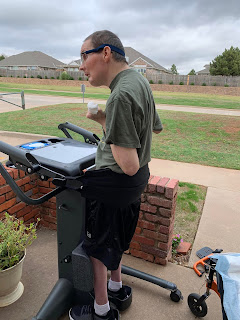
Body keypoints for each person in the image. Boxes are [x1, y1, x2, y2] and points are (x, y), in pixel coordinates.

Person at [69, 30, 162, 320]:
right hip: (136, 183)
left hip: (116, 183)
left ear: (105, 53)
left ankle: (101, 310)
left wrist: (109, 119)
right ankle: (117, 287)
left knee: (97, 246)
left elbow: (128, 163)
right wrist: (103, 120)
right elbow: (152, 128)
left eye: (85, 55)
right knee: (116, 238)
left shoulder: (120, 95)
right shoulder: (139, 81)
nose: (81, 65)